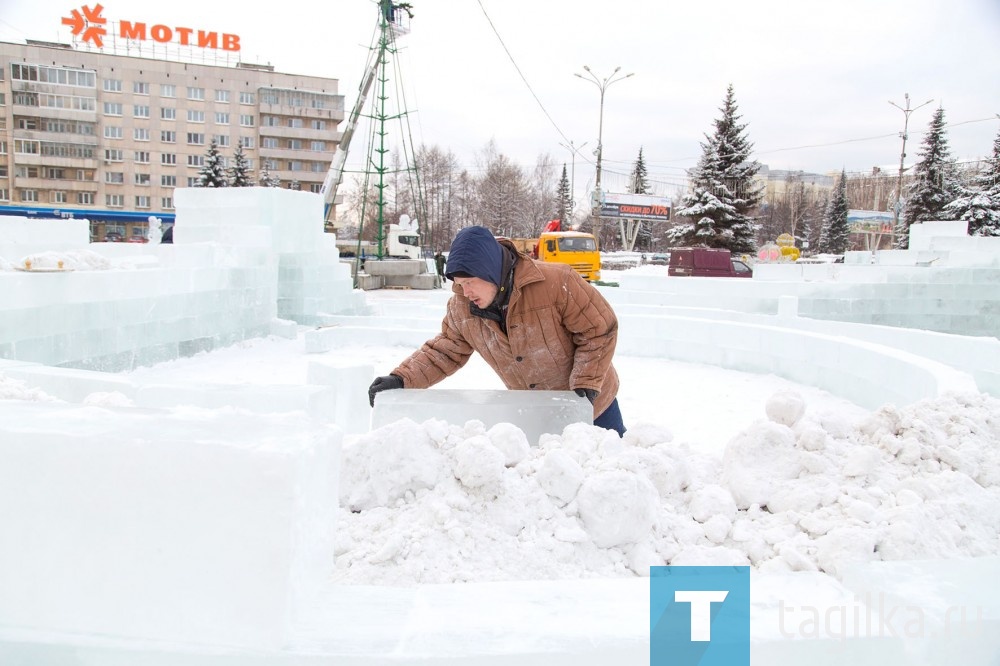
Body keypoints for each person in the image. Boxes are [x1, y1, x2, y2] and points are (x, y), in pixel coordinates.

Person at [368, 225, 625, 436]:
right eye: (459, 284)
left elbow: (599, 330)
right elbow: (445, 350)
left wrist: (586, 382)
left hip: (593, 405)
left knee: (611, 475)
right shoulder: (463, 306)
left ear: (489, 271)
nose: (465, 291)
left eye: (469, 282)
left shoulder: (557, 283)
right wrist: (401, 379)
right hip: (534, 410)